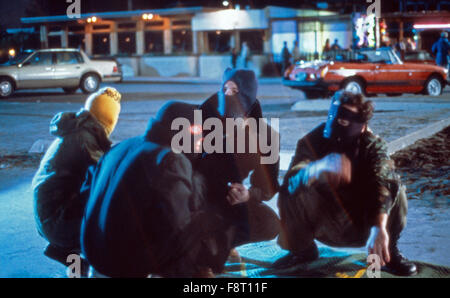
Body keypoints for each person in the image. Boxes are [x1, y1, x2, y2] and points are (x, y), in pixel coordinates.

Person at [81, 102, 235, 278]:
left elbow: (87, 192)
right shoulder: (170, 158)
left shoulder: (122, 146)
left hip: (93, 252)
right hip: (123, 264)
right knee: (208, 221)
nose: (201, 138)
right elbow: (180, 224)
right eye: (195, 131)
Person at [273, 91, 417, 276]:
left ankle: (387, 253)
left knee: (396, 188)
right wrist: (317, 169)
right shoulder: (311, 141)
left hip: (363, 226)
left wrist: (379, 227)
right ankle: (302, 251)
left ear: (363, 126)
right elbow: (291, 182)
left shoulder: (373, 146)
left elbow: (383, 182)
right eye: (335, 117)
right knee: (293, 186)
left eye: (345, 121)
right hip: (323, 223)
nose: (338, 123)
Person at [32, 87, 121, 266]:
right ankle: (101, 266)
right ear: (108, 121)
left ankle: (63, 250)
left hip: (49, 215)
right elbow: (108, 178)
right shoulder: (84, 141)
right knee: (116, 211)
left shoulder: (77, 132)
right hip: (56, 221)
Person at [198, 68, 280, 259]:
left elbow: (268, 187)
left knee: (270, 223)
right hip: (195, 196)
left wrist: (247, 195)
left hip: (229, 198)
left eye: (234, 91)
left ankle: (222, 242)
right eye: (224, 89)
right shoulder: (202, 116)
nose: (227, 95)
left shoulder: (265, 136)